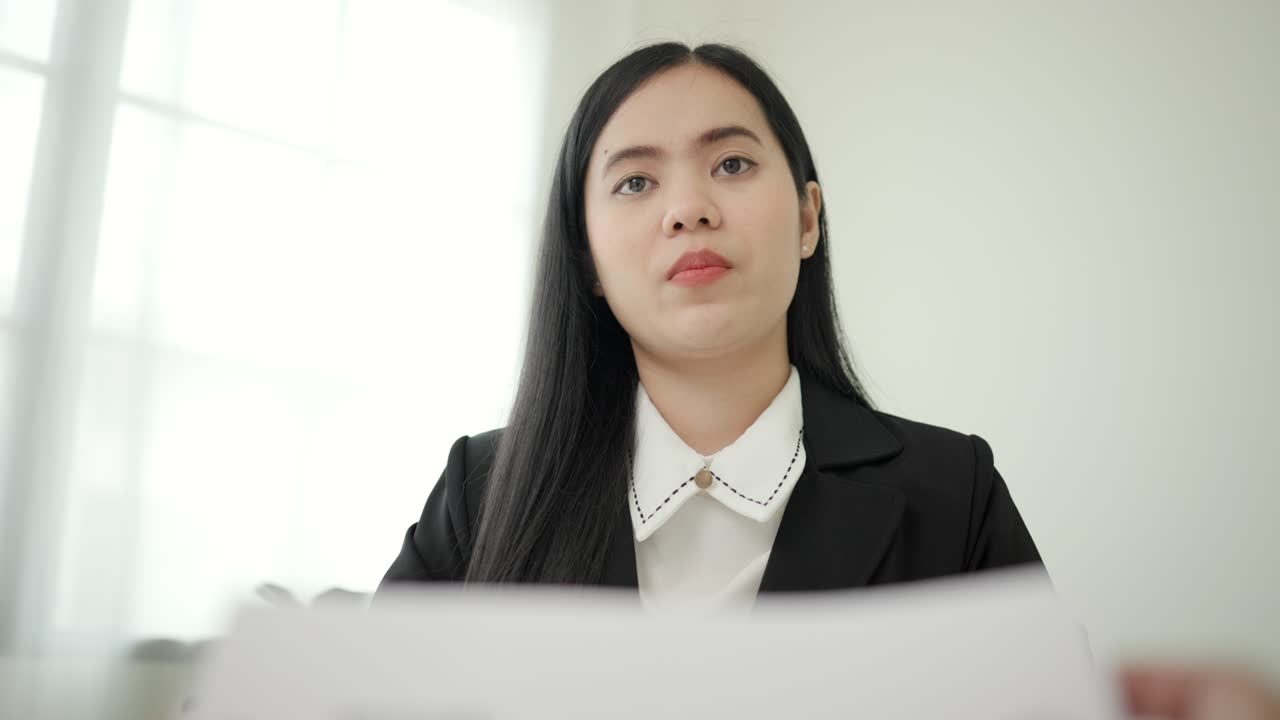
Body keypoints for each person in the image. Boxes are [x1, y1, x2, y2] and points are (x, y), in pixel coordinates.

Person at [377, 40, 1040, 605]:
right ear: (588, 261)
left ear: (808, 219)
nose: (689, 209)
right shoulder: (480, 493)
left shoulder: (955, 494)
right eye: (636, 182)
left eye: (732, 164)